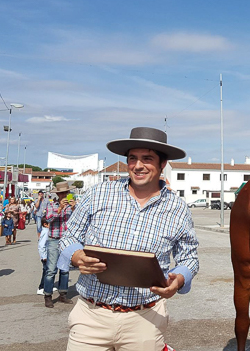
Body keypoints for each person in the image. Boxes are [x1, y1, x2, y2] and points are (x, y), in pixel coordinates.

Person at [58, 127, 199, 350]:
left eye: (147, 159)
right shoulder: (99, 193)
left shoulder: (178, 208)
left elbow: (190, 259)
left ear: (162, 164)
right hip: (90, 317)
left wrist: (178, 280)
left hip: (146, 320)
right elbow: (69, 236)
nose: (138, 165)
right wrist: (77, 256)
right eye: (132, 158)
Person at [42, 181, 75, 308]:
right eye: (62, 193)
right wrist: (60, 208)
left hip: (67, 240)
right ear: (58, 194)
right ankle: (48, 295)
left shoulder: (72, 206)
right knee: (51, 270)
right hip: (54, 239)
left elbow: (77, 221)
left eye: (66, 193)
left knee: (65, 269)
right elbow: (48, 219)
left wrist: (73, 208)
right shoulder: (52, 205)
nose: (65, 196)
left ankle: (63, 294)